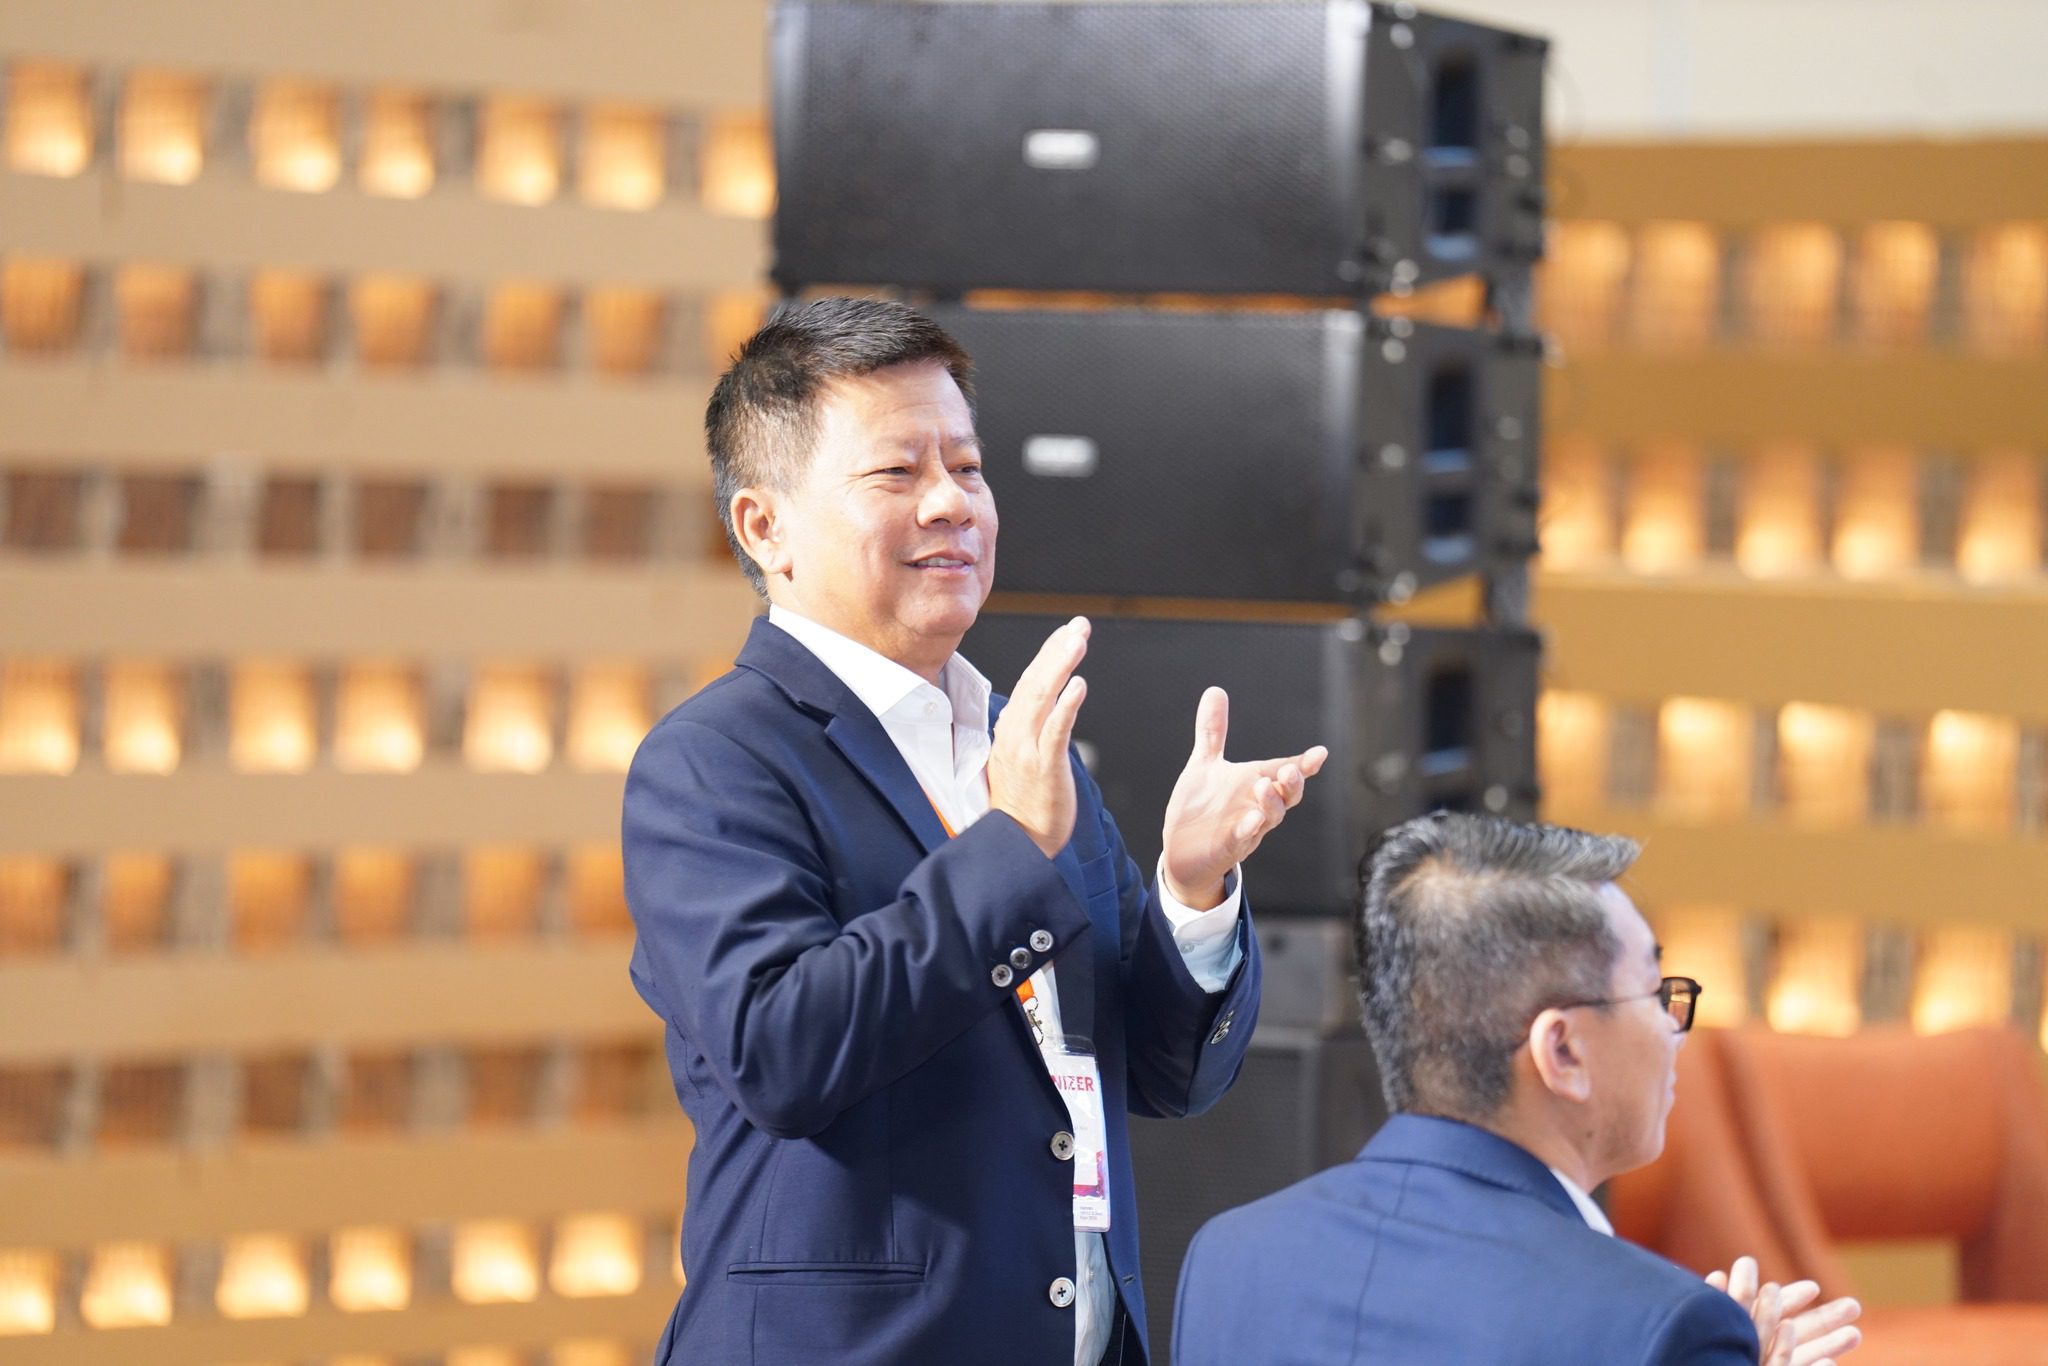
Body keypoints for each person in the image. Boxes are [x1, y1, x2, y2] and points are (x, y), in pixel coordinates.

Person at [622, 297, 1328, 1365]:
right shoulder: (712, 760)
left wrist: (1190, 890)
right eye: (897, 473)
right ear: (765, 528)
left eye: (968, 466)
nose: (952, 502)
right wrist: (1008, 845)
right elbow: (783, 1052)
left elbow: (1160, 1074)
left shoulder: (1014, 738)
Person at [1173, 813, 1864, 1366]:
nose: (1673, 1030)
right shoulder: (1661, 1325)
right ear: (1562, 1051)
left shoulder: (1229, 1256)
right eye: (1655, 992)